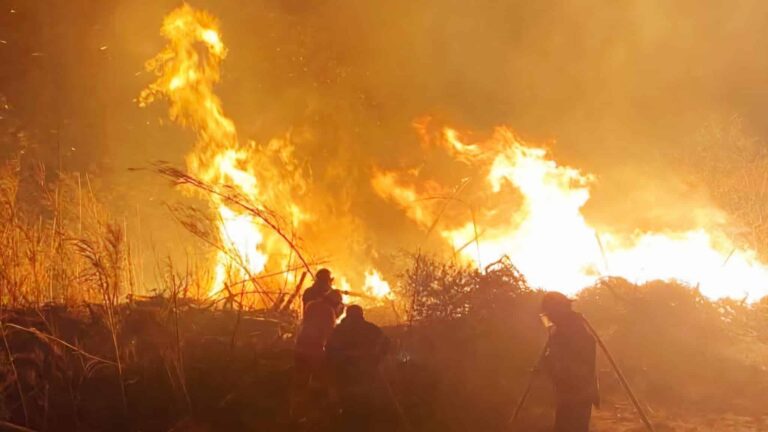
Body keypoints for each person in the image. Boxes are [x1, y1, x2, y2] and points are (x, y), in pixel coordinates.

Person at [539, 291, 599, 432]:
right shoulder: (564, 328)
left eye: (551, 313)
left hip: (576, 392)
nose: (550, 317)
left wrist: (549, 364)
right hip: (571, 391)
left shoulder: (572, 329)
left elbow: (574, 361)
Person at [326, 305, 391, 430]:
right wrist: (377, 358)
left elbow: (329, 350)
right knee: (366, 405)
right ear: (361, 315)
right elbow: (386, 343)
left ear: (347, 315)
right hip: (366, 374)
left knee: (348, 407)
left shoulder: (339, 330)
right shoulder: (371, 329)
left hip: (345, 375)